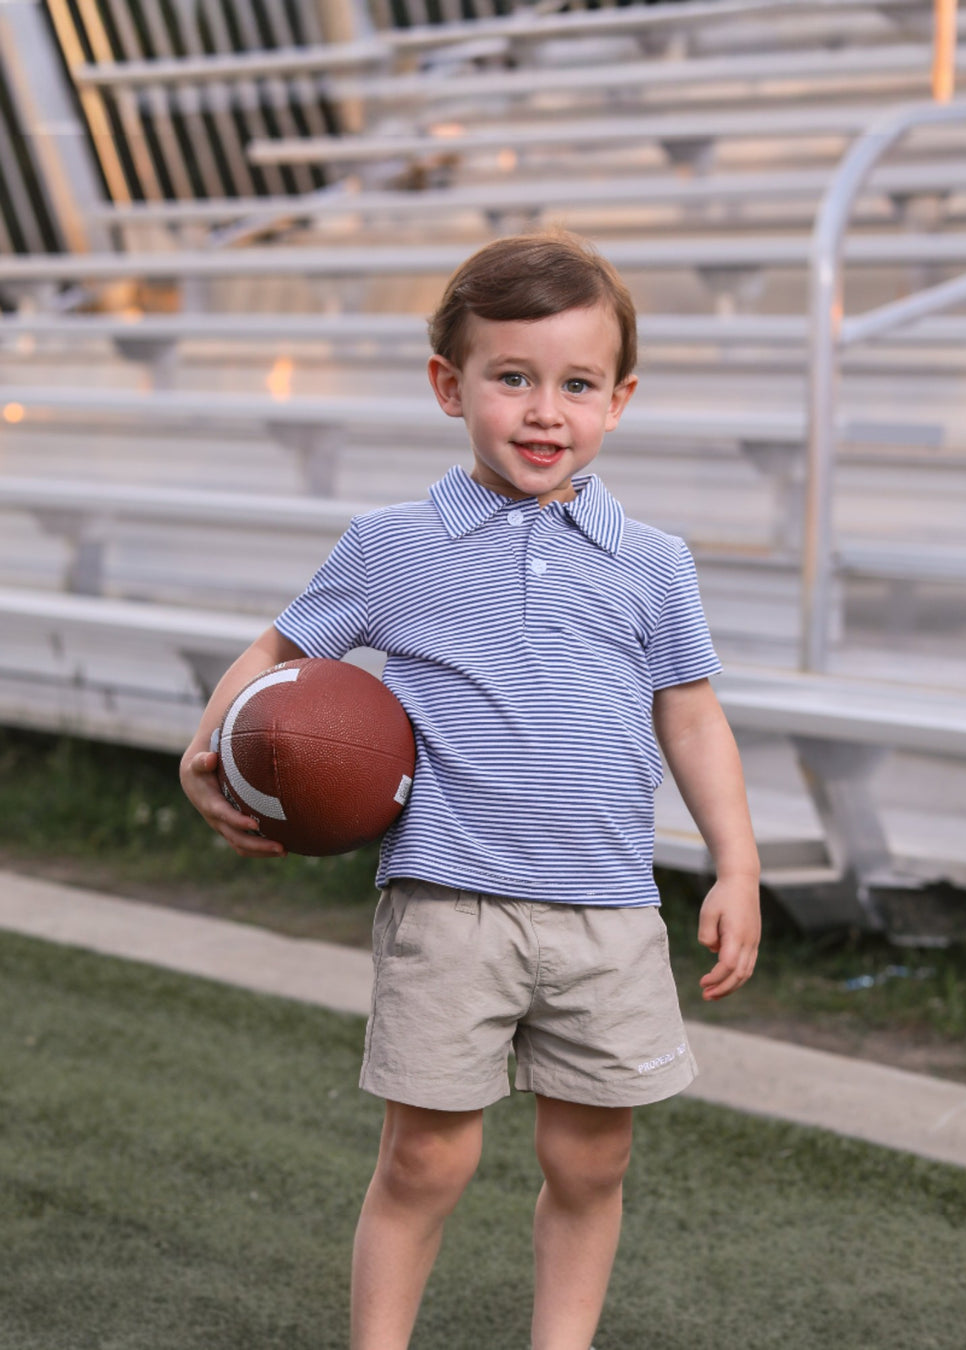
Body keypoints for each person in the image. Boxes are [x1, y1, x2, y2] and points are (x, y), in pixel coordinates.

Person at [179, 230, 761, 1350]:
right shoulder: (392, 547)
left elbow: (692, 716)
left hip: (607, 910)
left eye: (576, 385)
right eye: (513, 378)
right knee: (425, 1157)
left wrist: (737, 863)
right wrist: (203, 753)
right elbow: (273, 654)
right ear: (451, 387)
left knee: (591, 1159)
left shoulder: (654, 562)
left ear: (619, 400)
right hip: (452, 906)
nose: (546, 412)